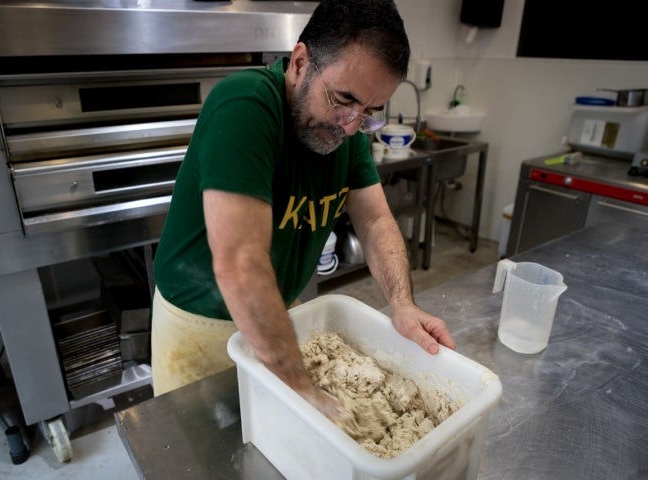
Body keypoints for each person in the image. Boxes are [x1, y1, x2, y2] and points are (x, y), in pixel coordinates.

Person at [151, 0, 456, 421]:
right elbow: (241, 263)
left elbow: (375, 219)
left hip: (278, 310)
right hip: (201, 325)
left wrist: (402, 304)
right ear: (299, 63)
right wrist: (300, 388)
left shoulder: (346, 132)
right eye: (343, 99)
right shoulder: (245, 105)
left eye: (368, 113)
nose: (351, 126)